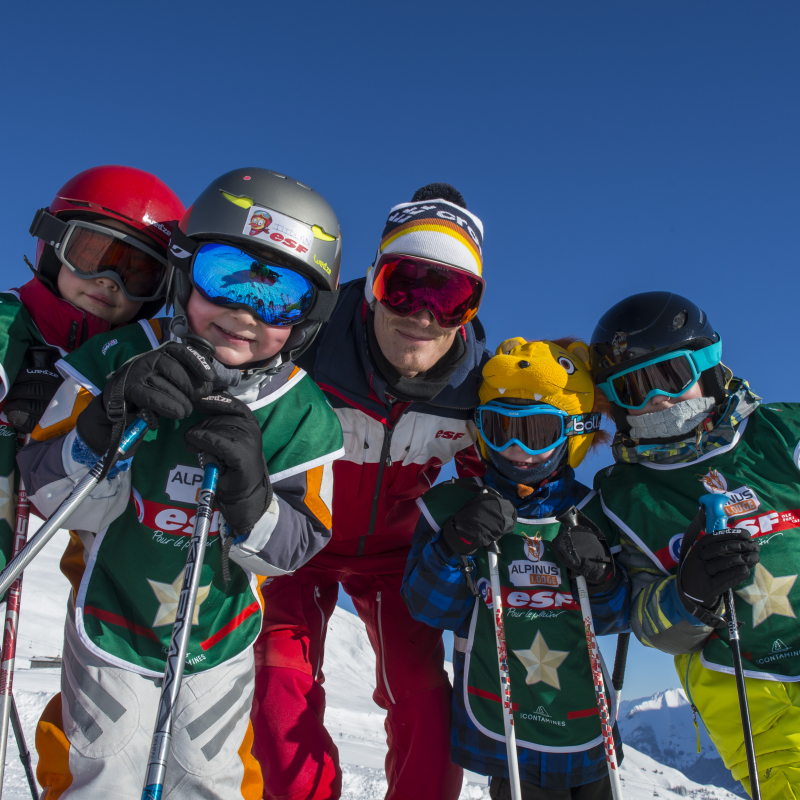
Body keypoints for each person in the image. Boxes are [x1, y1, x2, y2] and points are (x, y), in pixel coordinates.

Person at [18, 167, 345, 799]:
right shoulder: (117, 358)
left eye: (279, 298)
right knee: (105, 770)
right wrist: (103, 424)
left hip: (217, 633)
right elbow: (52, 495)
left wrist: (253, 497)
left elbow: (297, 546)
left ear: (307, 320)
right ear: (184, 272)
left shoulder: (300, 410)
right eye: (225, 277)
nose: (244, 314)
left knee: (207, 779)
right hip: (114, 613)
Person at [250, 183, 490, 800]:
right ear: (372, 280)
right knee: (279, 697)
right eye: (404, 284)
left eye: (452, 297)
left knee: (427, 705)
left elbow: (500, 476)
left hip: (395, 562)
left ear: (471, 308)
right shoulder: (307, 345)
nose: (423, 314)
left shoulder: (475, 393)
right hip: (295, 543)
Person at [586, 291, 799, 799]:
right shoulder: (624, 497)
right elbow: (642, 622)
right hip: (751, 704)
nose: (654, 400)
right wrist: (689, 597)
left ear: (707, 365)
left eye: (668, 377)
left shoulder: (779, 436)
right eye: (632, 389)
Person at [403, 336, 629, 799]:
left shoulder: (594, 512)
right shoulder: (453, 506)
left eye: (538, 431)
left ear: (575, 430)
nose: (516, 450)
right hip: (502, 714)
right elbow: (427, 607)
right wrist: (453, 545)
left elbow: (617, 617)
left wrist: (603, 575)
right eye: (498, 428)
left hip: (585, 717)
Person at [0, 164, 185, 569]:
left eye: (138, 274)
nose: (108, 280)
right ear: (53, 244)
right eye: (91, 255)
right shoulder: (5, 323)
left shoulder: (137, 362)